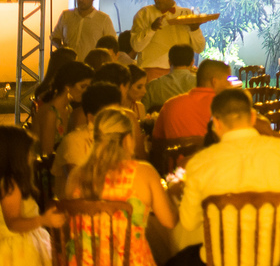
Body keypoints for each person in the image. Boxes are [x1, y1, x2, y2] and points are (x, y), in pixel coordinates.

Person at [170, 89, 280, 266]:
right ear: (253, 117)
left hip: (221, 261)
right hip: (274, 259)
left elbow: (189, 223)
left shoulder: (200, 162)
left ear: (216, 123)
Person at [65, 107, 177, 266]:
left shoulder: (76, 175)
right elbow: (169, 221)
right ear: (127, 139)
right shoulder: (143, 172)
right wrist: (173, 193)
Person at [0, 127, 63, 266]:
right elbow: (13, 223)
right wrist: (43, 220)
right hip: (18, 250)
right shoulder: (10, 185)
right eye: (29, 152)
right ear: (16, 156)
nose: (32, 156)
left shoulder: (8, 182)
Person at [54, 82, 124, 199]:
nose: (116, 120)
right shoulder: (75, 141)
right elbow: (80, 186)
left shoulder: (119, 139)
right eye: (109, 115)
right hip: (79, 206)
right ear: (91, 118)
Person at [130, 0, 205, 79]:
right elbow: (136, 46)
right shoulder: (144, 13)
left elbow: (199, 48)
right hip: (151, 73)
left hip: (181, 74)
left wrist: (195, 29)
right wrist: (152, 29)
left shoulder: (186, 14)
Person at [152, 59, 230, 141]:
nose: (229, 84)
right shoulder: (226, 107)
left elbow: (156, 141)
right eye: (227, 80)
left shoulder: (170, 104)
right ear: (214, 82)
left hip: (175, 150)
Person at [33, 61, 93, 156]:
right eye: (83, 86)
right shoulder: (50, 113)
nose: (86, 91)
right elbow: (47, 154)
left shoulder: (68, 109)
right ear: (67, 86)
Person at [51, 0, 115, 56]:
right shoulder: (66, 15)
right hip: (69, 62)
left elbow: (112, 44)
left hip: (90, 63)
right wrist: (61, 49)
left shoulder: (103, 19)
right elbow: (55, 37)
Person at [144, 44, 198, 112]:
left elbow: (143, 113)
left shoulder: (152, 86)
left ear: (169, 62)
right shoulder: (199, 84)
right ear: (192, 62)